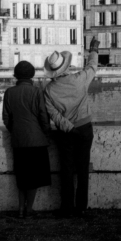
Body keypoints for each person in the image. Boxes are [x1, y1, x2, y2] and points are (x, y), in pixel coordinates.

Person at [43, 36, 100, 218]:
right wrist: (93, 51)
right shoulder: (79, 79)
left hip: (66, 133)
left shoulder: (49, 91)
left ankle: (66, 207)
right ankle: (81, 206)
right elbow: (92, 67)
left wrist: (69, 127)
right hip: (85, 128)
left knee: (66, 169)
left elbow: (54, 116)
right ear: (66, 66)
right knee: (83, 168)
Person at [1, 60, 52, 219]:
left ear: (16, 75)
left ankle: (20, 209)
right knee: (34, 178)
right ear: (32, 75)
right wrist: (44, 132)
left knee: (22, 177)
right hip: (36, 141)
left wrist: (15, 131)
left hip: (19, 141)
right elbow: (44, 117)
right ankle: (29, 209)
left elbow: (6, 118)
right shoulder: (37, 92)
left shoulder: (9, 92)